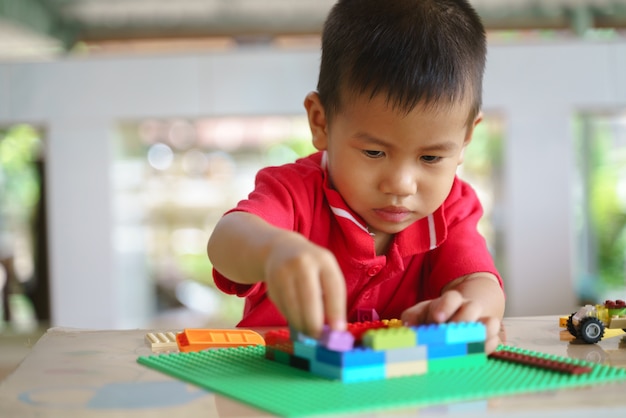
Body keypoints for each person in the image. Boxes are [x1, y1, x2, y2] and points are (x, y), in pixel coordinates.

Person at [207, 0, 505, 353]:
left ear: (466, 138)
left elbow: (479, 281)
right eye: (374, 153)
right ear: (321, 122)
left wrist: (470, 313)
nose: (400, 184)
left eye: (430, 157)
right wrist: (273, 250)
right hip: (284, 392)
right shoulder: (294, 192)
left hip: (398, 397)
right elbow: (225, 241)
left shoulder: (451, 207)